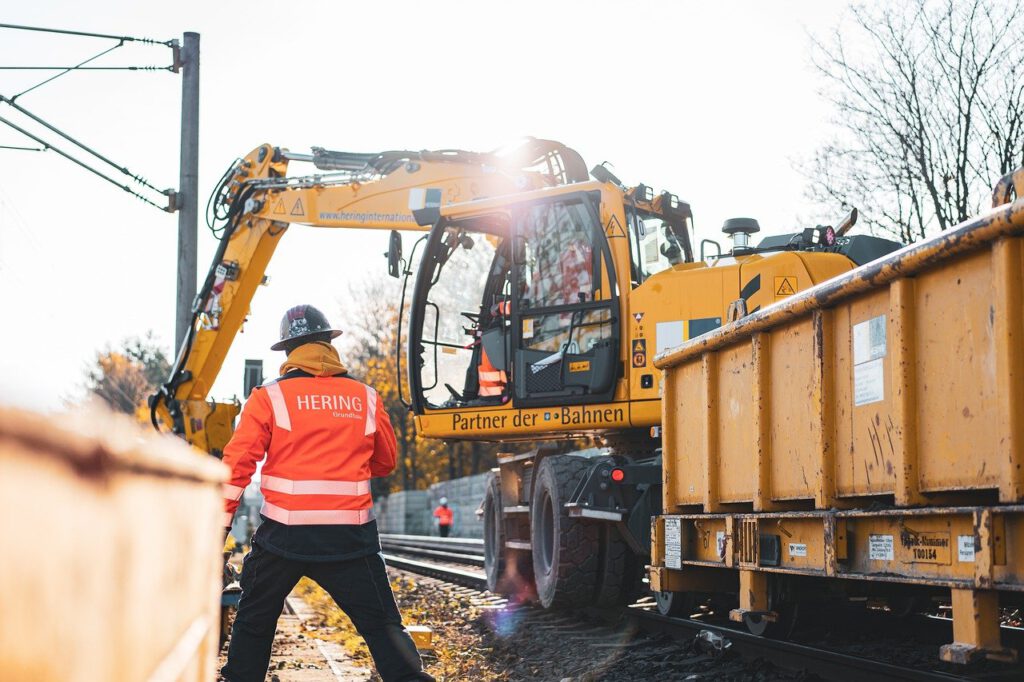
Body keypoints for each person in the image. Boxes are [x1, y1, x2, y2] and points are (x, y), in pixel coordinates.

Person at [220, 304, 433, 682]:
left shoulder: (267, 398)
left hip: (282, 538)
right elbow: (385, 463)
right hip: (351, 541)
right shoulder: (365, 397)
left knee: (254, 625)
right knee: (384, 628)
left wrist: (217, 530)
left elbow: (236, 469)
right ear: (328, 344)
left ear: (288, 351)